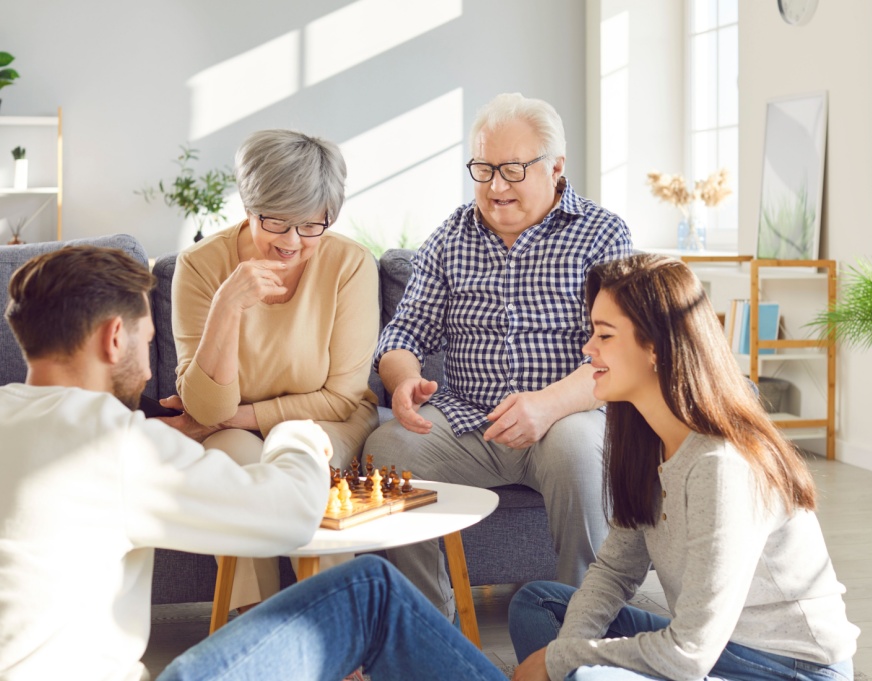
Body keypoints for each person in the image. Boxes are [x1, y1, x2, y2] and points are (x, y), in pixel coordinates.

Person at [0, 245, 508, 681]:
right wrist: (296, 435)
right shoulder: (112, 441)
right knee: (367, 589)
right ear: (115, 338)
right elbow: (289, 514)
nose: (149, 350)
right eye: (147, 339)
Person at [507, 253, 859, 681]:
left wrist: (561, 662)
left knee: (583, 675)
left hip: (789, 668)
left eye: (605, 335)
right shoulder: (646, 442)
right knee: (539, 604)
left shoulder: (723, 464)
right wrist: (567, 651)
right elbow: (615, 570)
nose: (588, 349)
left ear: (655, 346)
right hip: (715, 647)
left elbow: (688, 656)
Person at [363, 92, 633, 621]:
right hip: (469, 424)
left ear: (555, 168)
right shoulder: (450, 237)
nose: (495, 187)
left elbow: (619, 352)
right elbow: (401, 336)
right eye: (483, 169)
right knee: (385, 450)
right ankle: (428, 624)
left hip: (568, 419)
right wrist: (404, 380)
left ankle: (583, 625)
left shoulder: (603, 234)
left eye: (512, 170)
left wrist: (547, 406)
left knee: (579, 453)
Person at [165, 129, 380, 609]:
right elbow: (207, 403)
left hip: (328, 422)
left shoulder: (349, 265)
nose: (291, 241)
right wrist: (227, 306)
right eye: (276, 222)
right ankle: (258, 632)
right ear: (249, 206)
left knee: (300, 455)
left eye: (310, 225)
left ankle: (333, 636)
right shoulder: (202, 266)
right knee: (229, 468)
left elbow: (341, 396)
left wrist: (232, 417)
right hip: (231, 427)